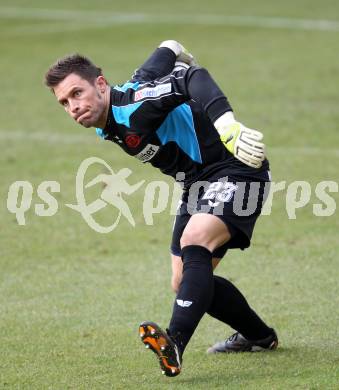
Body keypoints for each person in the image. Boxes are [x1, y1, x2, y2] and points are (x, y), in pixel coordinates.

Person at [44, 40, 278, 377]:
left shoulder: (135, 107)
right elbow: (158, 61)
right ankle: (259, 336)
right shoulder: (111, 116)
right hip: (198, 185)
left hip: (238, 171)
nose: (73, 107)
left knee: (195, 240)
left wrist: (227, 126)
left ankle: (175, 343)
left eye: (76, 93)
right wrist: (171, 48)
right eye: (64, 103)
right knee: (183, 279)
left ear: (99, 83)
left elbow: (191, 78)